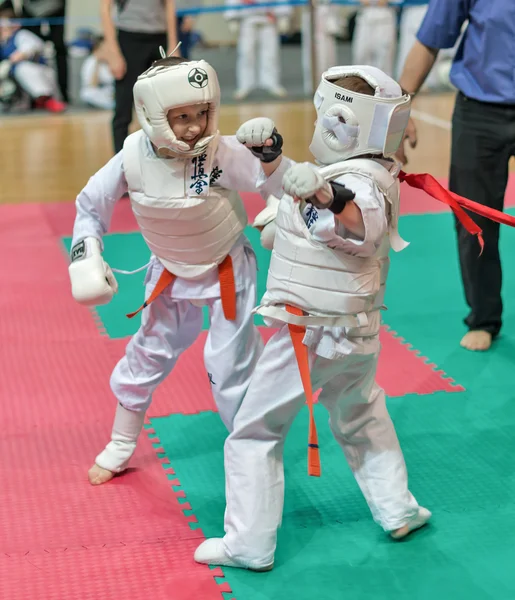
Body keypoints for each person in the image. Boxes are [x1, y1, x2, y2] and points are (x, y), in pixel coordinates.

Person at [194, 65, 431, 572]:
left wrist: (326, 195)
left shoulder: (360, 183)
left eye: (336, 117)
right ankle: (397, 508)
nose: (327, 124)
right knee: (361, 414)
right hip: (355, 331)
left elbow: (355, 218)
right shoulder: (365, 171)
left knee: (255, 431)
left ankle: (248, 545)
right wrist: (275, 161)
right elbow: (304, 196)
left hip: (312, 332)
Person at [67, 55, 293, 486]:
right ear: (153, 116)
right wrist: (86, 255)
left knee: (230, 365)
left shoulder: (220, 152)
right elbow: (89, 207)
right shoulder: (131, 156)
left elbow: (271, 181)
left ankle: (252, 454)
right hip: (169, 274)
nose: (194, 126)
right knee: (147, 354)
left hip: (227, 269)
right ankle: (121, 442)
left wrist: (274, 173)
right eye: (181, 116)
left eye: (202, 113)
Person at [397, 0, 515, 352]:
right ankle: (483, 317)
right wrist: (399, 110)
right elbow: (429, 40)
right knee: (472, 217)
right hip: (480, 113)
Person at [100, 0, 178, 153]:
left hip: (159, 38)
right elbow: (105, 8)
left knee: (165, 105)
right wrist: (113, 51)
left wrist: (173, 44)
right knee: (123, 106)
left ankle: (163, 156)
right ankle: (121, 162)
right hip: (129, 38)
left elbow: (169, 4)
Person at [0, 2, 65, 112]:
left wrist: (11, 61)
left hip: (40, 75)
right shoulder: (3, 43)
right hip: (18, 86)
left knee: (22, 68)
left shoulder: (21, 35)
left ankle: (45, 100)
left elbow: (33, 47)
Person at [224, 0, 292, 100]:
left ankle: (271, 83)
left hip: (269, 16)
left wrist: (283, 15)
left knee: (271, 53)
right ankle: (245, 85)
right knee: (246, 53)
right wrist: (232, 17)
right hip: (247, 18)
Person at [18, 0, 68, 102]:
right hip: (31, 8)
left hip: (55, 5)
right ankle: (35, 96)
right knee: (29, 48)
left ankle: (62, 94)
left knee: (59, 49)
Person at [352, 0, 401, 77]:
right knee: (361, 54)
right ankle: (361, 84)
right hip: (365, 18)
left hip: (385, 19)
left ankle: (384, 85)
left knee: (384, 57)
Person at [80, 36, 115, 110]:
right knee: (88, 93)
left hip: (110, 91)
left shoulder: (112, 60)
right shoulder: (91, 61)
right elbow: (93, 84)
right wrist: (98, 63)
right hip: (96, 91)